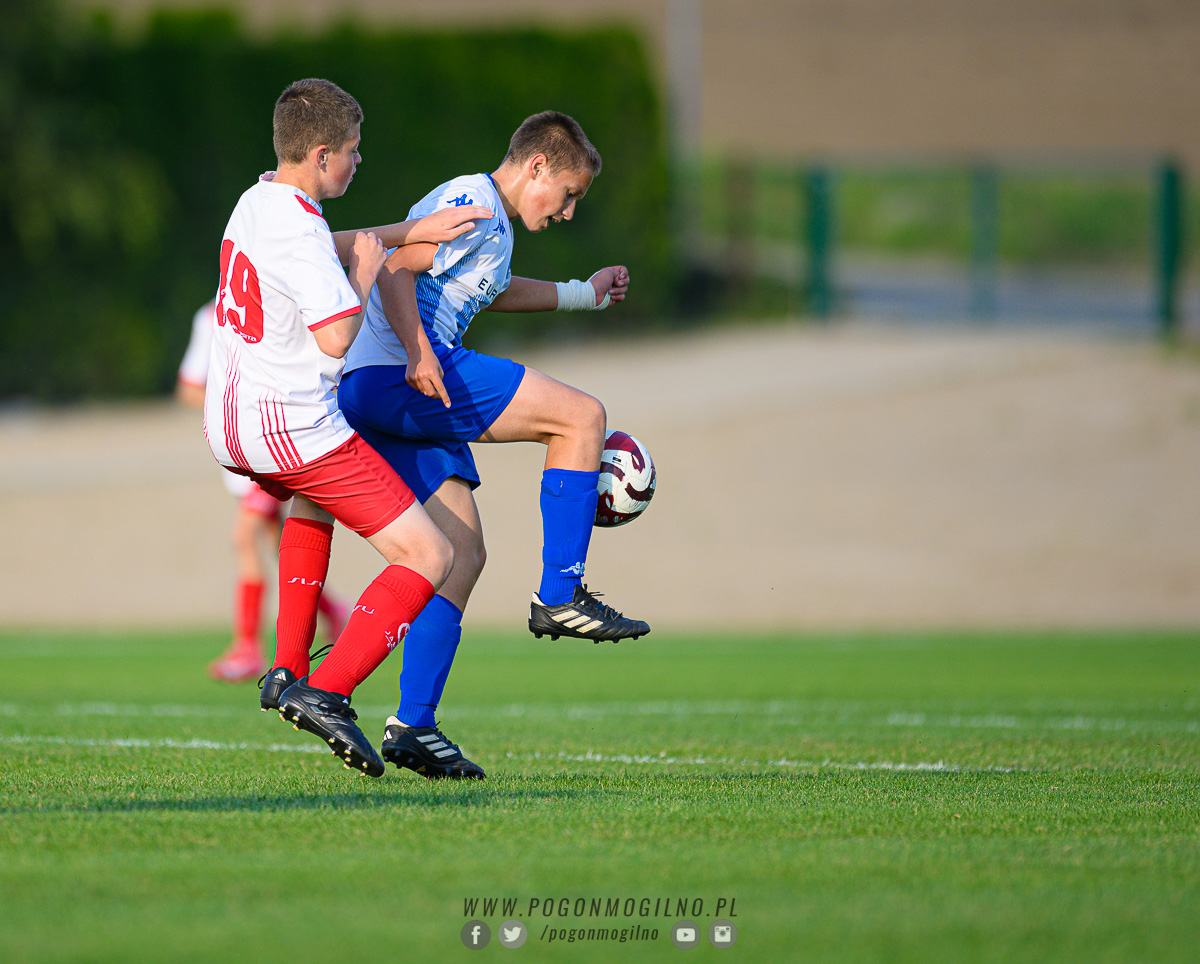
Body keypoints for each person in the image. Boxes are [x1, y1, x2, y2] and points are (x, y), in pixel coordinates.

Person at [336, 110, 649, 780]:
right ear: (536, 167)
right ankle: (560, 594)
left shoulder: (493, 226)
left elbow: (496, 290)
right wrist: (419, 351)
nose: (568, 211)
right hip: (401, 374)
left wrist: (584, 295)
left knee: (458, 555)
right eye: (568, 194)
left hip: (389, 386)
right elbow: (393, 267)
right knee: (581, 418)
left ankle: (413, 725)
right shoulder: (473, 203)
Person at [203, 77, 492, 777]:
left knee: (313, 504)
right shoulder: (300, 227)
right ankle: (328, 692)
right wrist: (365, 273)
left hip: (230, 424)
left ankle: (286, 669)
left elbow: (321, 242)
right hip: (292, 427)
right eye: (353, 151)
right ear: (323, 155)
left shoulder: (256, 200)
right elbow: (336, 336)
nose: (359, 162)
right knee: (431, 555)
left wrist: (404, 234)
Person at [177, 300, 350, 683]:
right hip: (241, 447)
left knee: (244, 536)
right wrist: (233, 401)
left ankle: (247, 648)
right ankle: (335, 613)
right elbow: (188, 388)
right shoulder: (209, 317)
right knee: (277, 545)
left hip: (275, 442)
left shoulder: (280, 304)